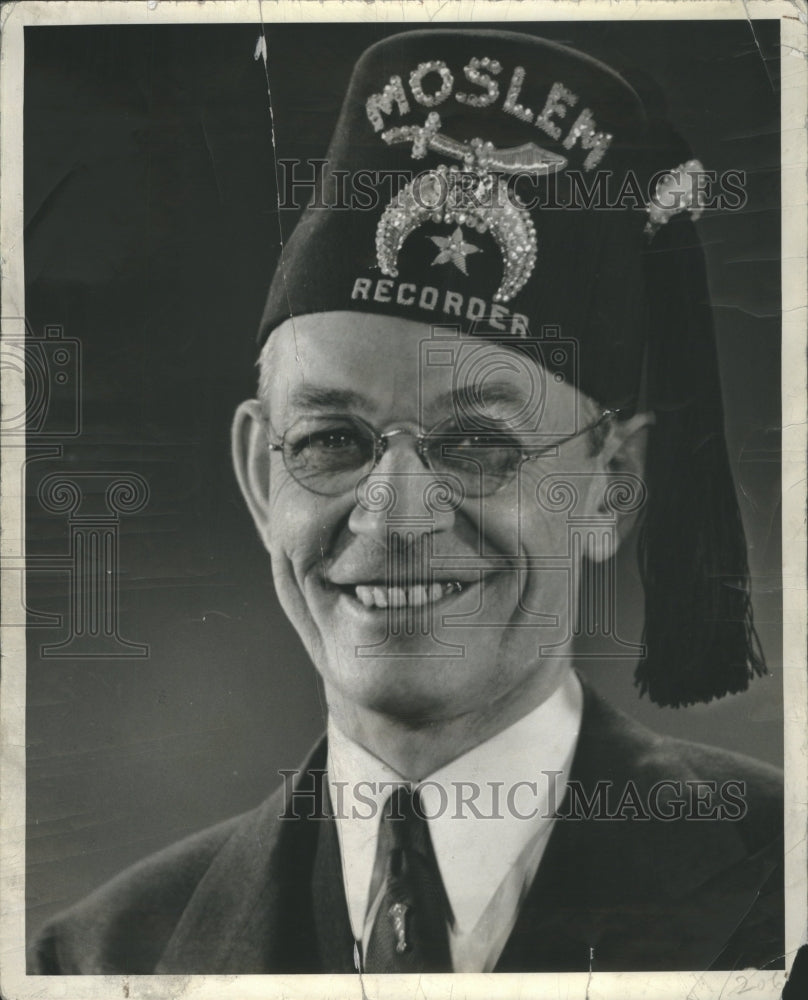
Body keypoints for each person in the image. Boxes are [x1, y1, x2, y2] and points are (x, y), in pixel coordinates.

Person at [30, 27, 783, 975]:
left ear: (612, 487)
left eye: (476, 446)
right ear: (263, 475)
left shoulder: (787, 898)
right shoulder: (100, 960)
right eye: (332, 442)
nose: (392, 517)